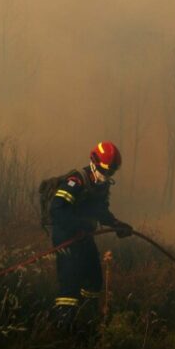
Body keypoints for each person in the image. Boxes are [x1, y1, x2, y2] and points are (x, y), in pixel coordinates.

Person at [50, 141, 133, 330]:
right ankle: (63, 330)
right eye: (105, 171)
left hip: (84, 238)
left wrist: (116, 224)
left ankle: (87, 322)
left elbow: (100, 211)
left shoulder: (100, 186)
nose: (107, 177)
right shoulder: (76, 180)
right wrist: (77, 227)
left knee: (94, 280)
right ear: (94, 163)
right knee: (70, 286)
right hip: (66, 239)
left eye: (111, 173)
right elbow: (57, 210)